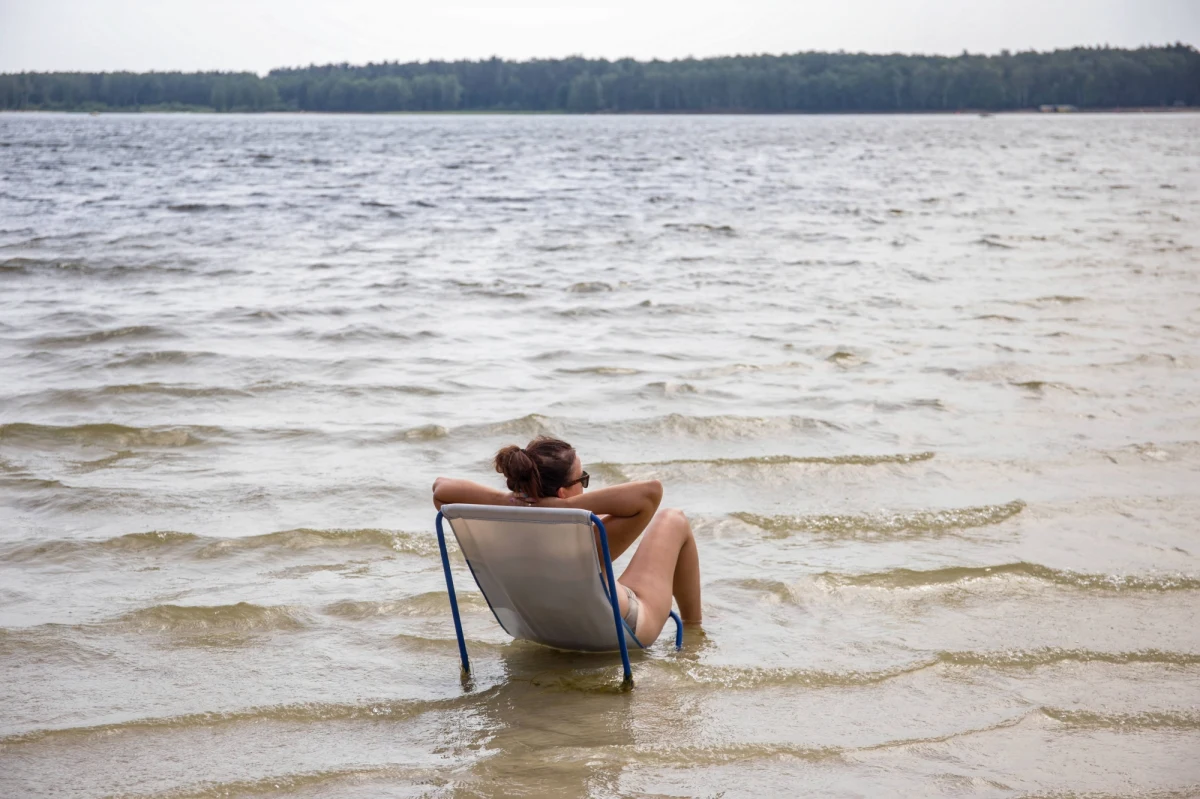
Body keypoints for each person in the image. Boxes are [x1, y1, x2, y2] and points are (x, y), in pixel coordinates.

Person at [431, 436, 701, 644]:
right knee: (673, 519)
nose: (585, 486)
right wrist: (564, 507)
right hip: (618, 630)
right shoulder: (586, 538)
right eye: (582, 480)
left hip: (538, 630)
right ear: (564, 493)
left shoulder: (496, 530)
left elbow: (441, 489)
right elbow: (651, 493)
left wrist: (509, 500)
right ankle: (694, 628)